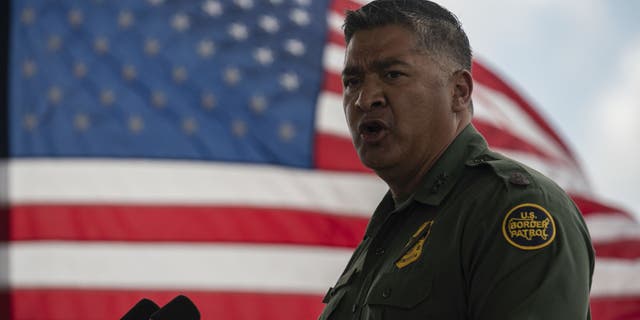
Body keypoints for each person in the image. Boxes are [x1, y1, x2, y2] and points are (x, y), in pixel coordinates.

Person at [318, 0, 595, 319]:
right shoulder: (391, 225)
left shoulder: (512, 206)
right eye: (352, 82)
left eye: (393, 74)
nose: (365, 99)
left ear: (459, 92)